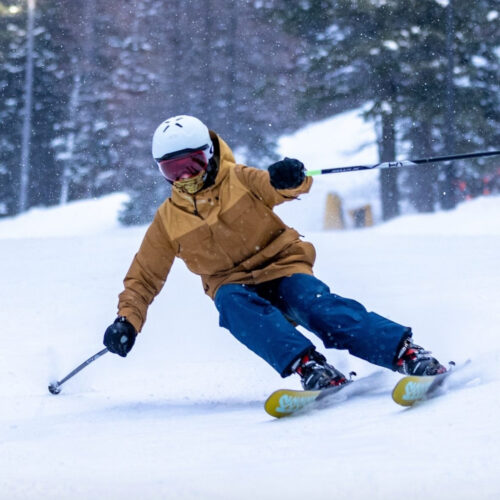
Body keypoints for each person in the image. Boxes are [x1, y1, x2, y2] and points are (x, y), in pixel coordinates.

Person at [103, 115, 446, 391]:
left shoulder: (239, 179)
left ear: (209, 154)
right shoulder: (168, 220)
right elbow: (143, 278)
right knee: (231, 303)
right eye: (172, 170)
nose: (185, 178)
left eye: (192, 165)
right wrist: (127, 321)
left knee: (315, 306)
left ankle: (407, 353)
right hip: (233, 284)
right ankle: (309, 367)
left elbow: (283, 187)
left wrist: (289, 177)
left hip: (282, 267)